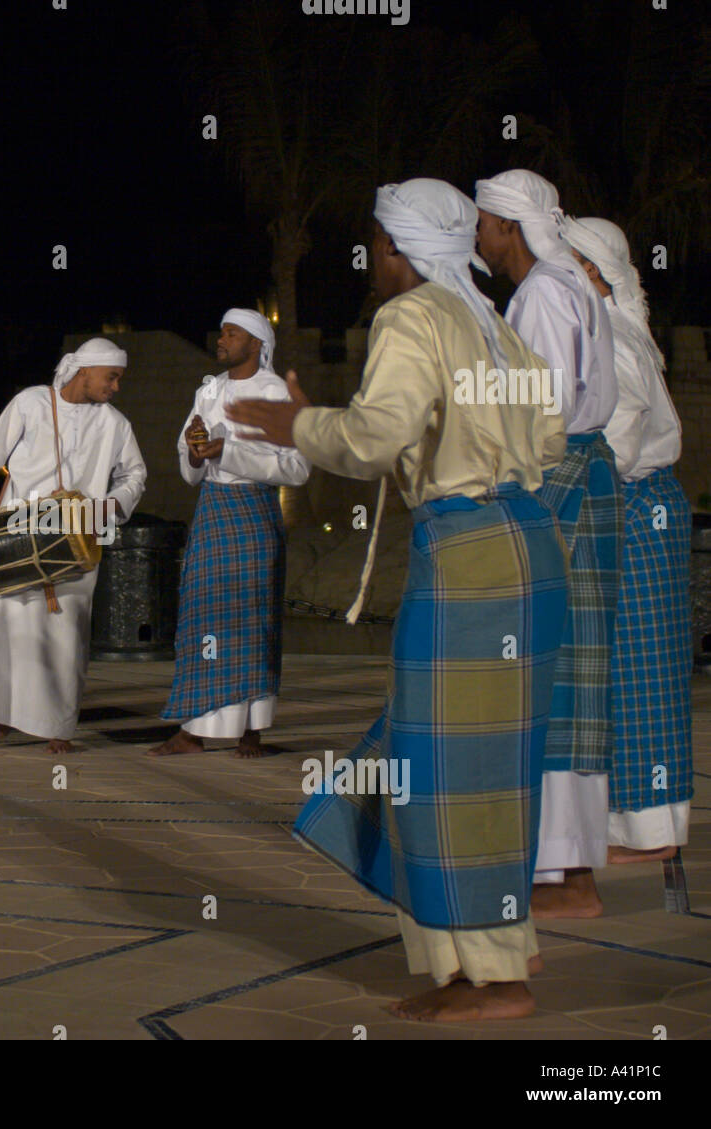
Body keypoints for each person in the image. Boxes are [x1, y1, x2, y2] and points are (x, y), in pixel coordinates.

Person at [227, 179, 568, 1022]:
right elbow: (553, 434)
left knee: (444, 765)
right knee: (479, 765)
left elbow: (374, 437)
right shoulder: (495, 331)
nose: (372, 260)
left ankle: (499, 982)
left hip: (469, 559)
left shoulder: (413, 317)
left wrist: (297, 424)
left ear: (403, 251)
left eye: (379, 245)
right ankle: (469, 963)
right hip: (529, 550)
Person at [475, 170, 621, 919]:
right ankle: (572, 873)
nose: (476, 234)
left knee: (547, 669)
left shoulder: (541, 293)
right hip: (585, 472)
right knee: (574, 668)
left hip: (553, 478)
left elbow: (544, 404)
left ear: (508, 227)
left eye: (484, 222)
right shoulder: (574, 284)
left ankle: (558, 871)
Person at [0, 338, 147, 755]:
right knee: (2, 627)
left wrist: (109, 507)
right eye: (111, 378)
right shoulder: (30, 403)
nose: (115, 387)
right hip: (15, 533)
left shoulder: (115, 424)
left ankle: (57, 726)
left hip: (75, 538)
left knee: (65, 633)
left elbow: (134, 475)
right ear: (85, 371)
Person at [563, 216, 692, 866]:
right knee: (627, 667)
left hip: (635, 509)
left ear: (593, 271)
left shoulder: (611, 334)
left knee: (637, 667)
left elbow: (621, 431)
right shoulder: (605, 329)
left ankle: (647, 826)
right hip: (634, 505)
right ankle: (635, 822)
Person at [149, 308, 309, 759]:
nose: (222, 339)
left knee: (250, 618)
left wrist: (230, 451)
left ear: (256, 344)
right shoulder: (210, 390)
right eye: (222, 331)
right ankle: (193, 730)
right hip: (212, 510)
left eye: (232, 333)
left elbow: (297, 468)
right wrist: (198, 450)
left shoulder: (276, 392)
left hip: (255, 511)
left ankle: (251, 731)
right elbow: (189, 460)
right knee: (201, 616)